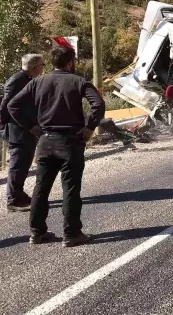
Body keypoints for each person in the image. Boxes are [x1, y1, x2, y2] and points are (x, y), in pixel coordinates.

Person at [8, 47, 105, 247]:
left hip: (45, 141)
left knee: (41, 189)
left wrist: (32, 127)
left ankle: (37, 233)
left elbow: (12, 106)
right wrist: (89, 129)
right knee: (70, 188)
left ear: (52, 63)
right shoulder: (79, 81)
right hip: (71, 142)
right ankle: (72, 234)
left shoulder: (37, 82)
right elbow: (99, 105)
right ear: (70, 63)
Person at [0, 54, 45, 212]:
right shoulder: (17, 80)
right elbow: (7, 107)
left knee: (24, 163)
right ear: (34, 67)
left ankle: (19, 194)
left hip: (26, 129)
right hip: (17, 131)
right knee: (17, 165)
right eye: (42, 64)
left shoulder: (28, 80)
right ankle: (13, 200)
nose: (43, 67)